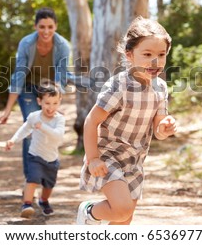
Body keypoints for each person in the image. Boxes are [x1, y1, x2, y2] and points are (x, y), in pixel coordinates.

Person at [76, 16, 177, 225]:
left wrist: (165, 127)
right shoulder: (119, 85)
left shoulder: (160, 88)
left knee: (124, 220)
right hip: (107, 155)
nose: (155, 61)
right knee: (121, 209)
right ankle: (88, 212)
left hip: (135, 160)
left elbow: (157, 129)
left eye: (161, 54)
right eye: (147, 54)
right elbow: (91, 121)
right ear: (130, 55)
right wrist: (93, 158)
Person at [0, 7, 70, 182]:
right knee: (31, 126)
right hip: (29, 88)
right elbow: (19, 75)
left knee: (48, 129)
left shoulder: (62, 46)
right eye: (42, 27)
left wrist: (56, 103)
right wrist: (8, 109)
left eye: (50, 27)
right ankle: (30, 178)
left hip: (49, 89)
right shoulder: (27, 43)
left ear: (56, 27)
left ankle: (45, 173)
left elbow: (61, 77)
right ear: (35, 26)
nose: (46, 31)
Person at [5, 83, 65, 218]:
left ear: (59, 102)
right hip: (35, 155)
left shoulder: (59, 119)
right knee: (32, 179)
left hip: (51, 159)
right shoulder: (34, 116)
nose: (51, 107)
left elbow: (58, 136)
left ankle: (43, 200)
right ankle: (26, 204)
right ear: (39, 101)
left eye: (55, 103)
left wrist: (42, 127)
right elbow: (25, 129)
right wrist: (13, 140)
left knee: (49, 185)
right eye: (47, 103)